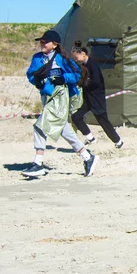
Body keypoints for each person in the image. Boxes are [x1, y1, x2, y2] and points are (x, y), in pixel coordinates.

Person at [23, 30, 100, 178]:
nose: (42, 43)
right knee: (63, 128)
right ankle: (87, 157)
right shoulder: (37, 58)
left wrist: (63, 78)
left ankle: (38, 163)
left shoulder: (62, 59)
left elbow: (77, 75)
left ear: (55, 44)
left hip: (60, 97)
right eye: (41, 41)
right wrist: (38, 82)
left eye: (45, 41)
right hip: (46, 95)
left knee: (40, 126)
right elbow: (30, 75)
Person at [70, 41, 124, 149]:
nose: (76, 60)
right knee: (76, 117)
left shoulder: (92, 65)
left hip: (96, 99)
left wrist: (83, 83)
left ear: (83, 54)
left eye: (76, 57)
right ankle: (90, 138)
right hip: (89, 99)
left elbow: (96, 83)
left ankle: (118, 142)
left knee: (104, 122)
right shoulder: (84, 65)